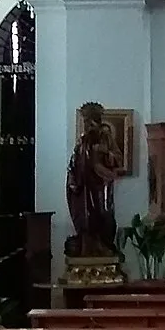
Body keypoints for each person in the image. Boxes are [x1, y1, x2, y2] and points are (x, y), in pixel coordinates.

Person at [65, 102, 123, 255]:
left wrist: (105, 152)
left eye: (89, 121)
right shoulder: (83, 140)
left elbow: (118, 158)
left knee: (103, 214)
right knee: (86, 216)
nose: (87, 125)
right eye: (85, 121)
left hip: (101, 184)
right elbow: (75, 161)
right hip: (84, 185)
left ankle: (104, 244)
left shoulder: (105, 136)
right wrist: (73, 177)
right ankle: (88, 247)